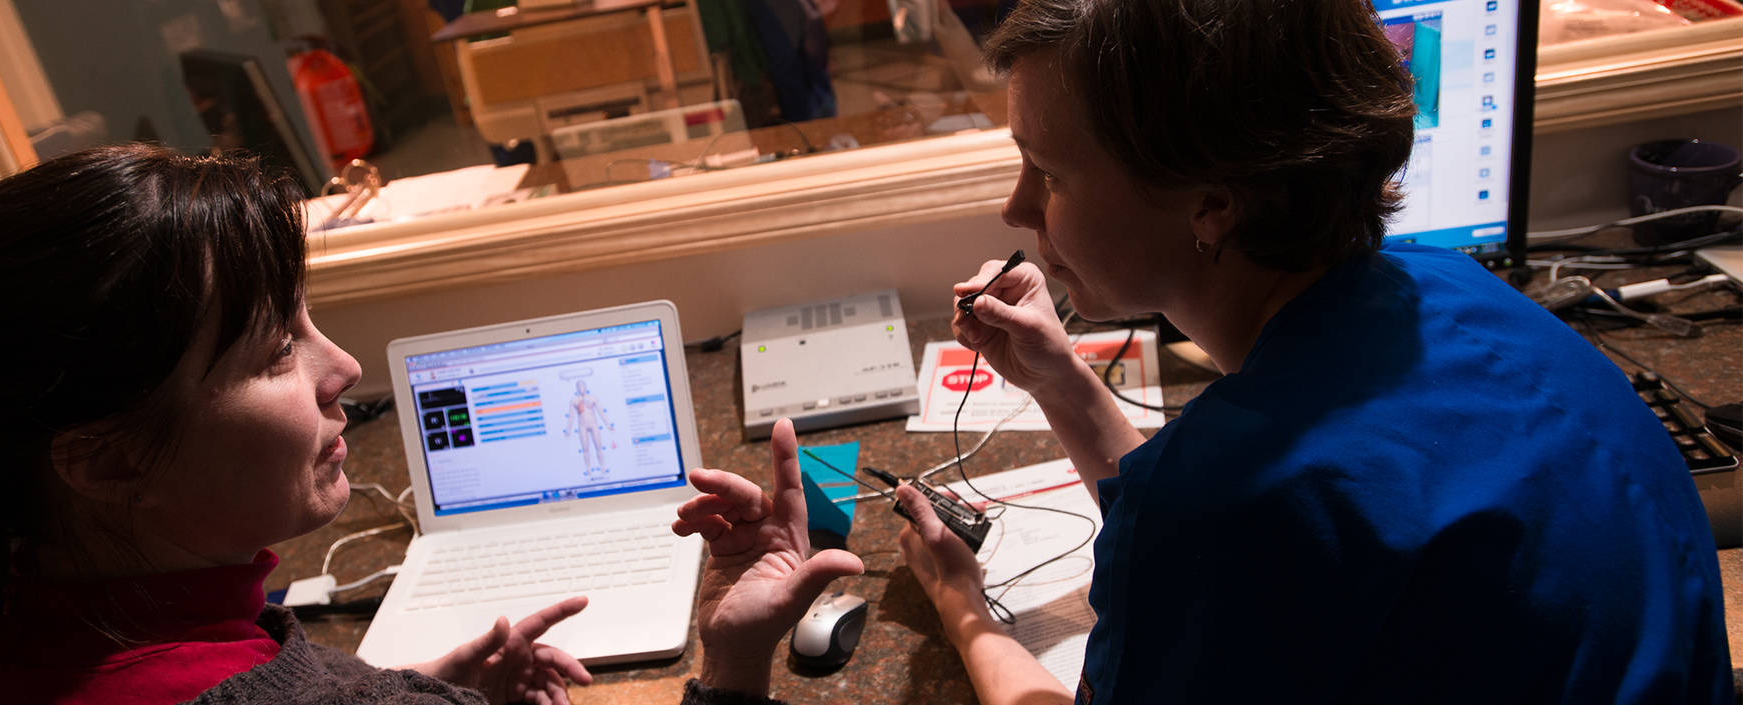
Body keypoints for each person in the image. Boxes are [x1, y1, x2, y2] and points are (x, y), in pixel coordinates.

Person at [675, 0, 1732, 703]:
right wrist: (1058, 377)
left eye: (1049, 170)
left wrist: (962, 613)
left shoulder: (1226, 504)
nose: (1016, 206)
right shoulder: (1455, 295)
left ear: (1212, 205)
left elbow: (1238, 511)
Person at [0, 144, 769, 705]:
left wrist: (413, 687)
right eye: (277, 349)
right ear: (102, 457)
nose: (343, 369)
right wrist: (734, 663)